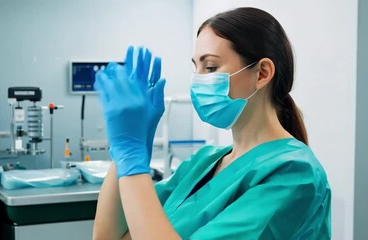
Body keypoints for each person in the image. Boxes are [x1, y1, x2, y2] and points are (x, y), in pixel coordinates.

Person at [93, 7, 331, 240]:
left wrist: (132, 154)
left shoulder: (294, 174)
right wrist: (129, 150)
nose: (197, 80)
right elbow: (108, 236)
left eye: (210, 67)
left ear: (262, 73)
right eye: (195, 67)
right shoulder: (204, 162)